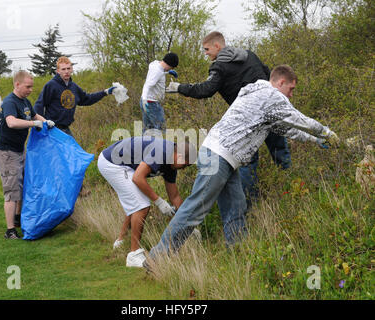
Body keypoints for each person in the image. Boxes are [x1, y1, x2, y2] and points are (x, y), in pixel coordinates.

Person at [146, 65, 339, 264]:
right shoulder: (272, 96)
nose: (290, 96)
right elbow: (299, 119)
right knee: (195, 209)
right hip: (219, 155)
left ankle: (239, 258)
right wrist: (327, 133)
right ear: (281, 82)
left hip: (223, 157)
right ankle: (157, 259)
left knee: (236, 208)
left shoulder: (257, 94)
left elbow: (288, 129)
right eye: (291, 89)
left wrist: (315, 140)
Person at [166, 31, 291, 203]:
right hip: (270, 112)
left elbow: (206, 89)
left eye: (207, 49)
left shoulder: (220, 66)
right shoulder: (249, 55)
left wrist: (180, 88)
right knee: (279, 151)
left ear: (217, 46)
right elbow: (268, 74)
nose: (205, 53)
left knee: (248, 160)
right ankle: (289, 190)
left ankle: (249, 202)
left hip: (248, 122)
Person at [97, 135, 196, 267]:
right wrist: (159, 201)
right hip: (111, 163)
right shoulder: (162, 152)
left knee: (136, 200)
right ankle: (134, 255)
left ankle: (121, 240)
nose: (184, 168)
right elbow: (138, 178)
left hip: (124, 165)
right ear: (179, 156)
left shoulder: (172, 165)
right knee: (141, 206)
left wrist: (187, 223)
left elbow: (175, 197)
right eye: (185, 164)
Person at [0, 70, 55, 239]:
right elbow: (11, 122)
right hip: (6, 152)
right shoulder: (9, 102)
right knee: (12, 190)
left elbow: (35, 115)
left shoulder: (25, 102)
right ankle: (10, 230)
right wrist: (33, 123)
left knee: (24, 184)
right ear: (17, 84)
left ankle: (18, 219)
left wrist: (46, 122)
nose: (30, 90)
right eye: (28, 87)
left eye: (32, 87)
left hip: (19, 150)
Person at [34, 56, 116, 137]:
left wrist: (105, 92)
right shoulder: (51, 85)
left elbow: (87, 99)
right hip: (52, 128)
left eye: (68, 68)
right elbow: (39, 104)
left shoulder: (73, 87)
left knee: (73, 150)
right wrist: (41, 124)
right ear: (58, 71)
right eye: (63, 69)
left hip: (65, 128)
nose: (66, 71)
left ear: (72, 69)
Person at [140, 52, 179, 134]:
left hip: (147, 102)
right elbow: (147, 85)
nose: (170, 69)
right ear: (170, 64)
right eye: (171, 67)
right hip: (151, 103)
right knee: (161, 129)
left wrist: (167, 72)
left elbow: (156, 74)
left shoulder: (155, 64)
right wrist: (144, 100)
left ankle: (143, 145)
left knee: (148, 129)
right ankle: (160, 146)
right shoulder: (158, 71)